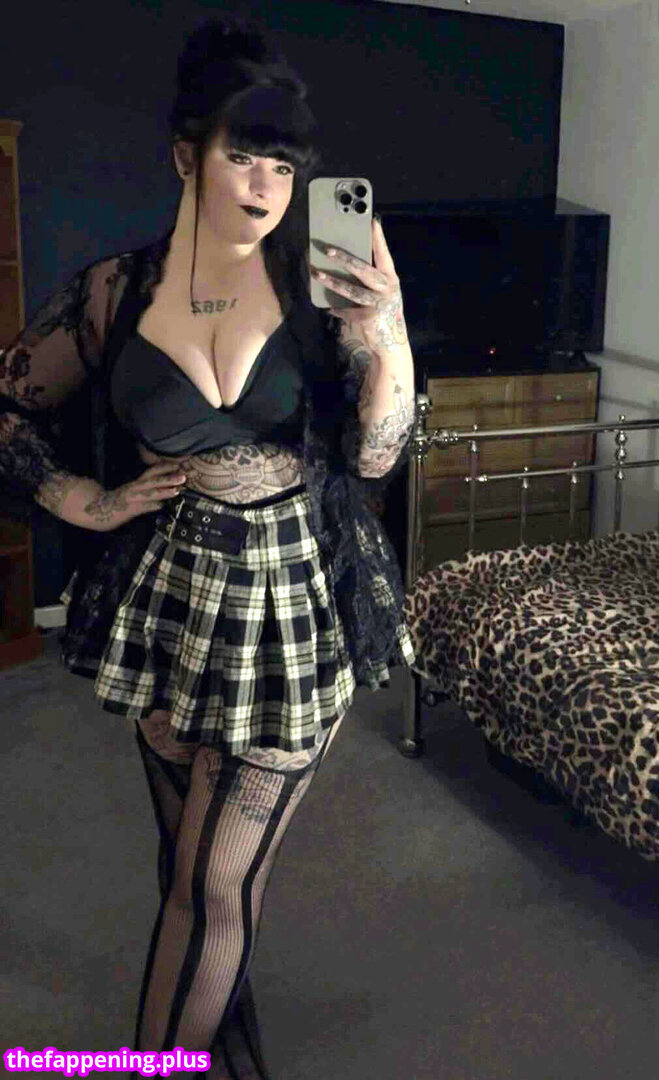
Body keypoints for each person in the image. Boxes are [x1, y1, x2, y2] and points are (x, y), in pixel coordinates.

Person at [0, 15, 416, 1077]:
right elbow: (8, 408)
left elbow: (377, 455)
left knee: (215, 880)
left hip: (294, 596)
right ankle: (226, 1045)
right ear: (188, 155)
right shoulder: (116, 291)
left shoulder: (326, 289)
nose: (268, 184)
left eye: (285, 163)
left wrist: (384, 334)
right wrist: (83, 499)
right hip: (171, 595)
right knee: (191, 867)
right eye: (245, 154)